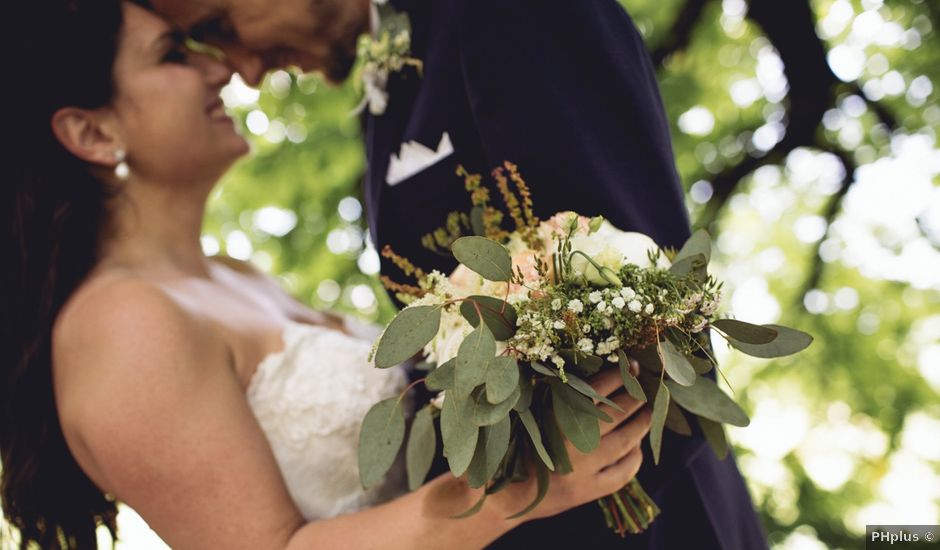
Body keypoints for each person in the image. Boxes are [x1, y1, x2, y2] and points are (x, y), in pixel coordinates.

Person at [0, 1, 654, 548]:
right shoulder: (120, 325)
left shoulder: (234, 277)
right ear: (91, 131)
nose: (222, 68)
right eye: (176, 54)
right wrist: (515, 496)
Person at [141, 0, 768, 547]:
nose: (244, 69)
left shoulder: (502, 11)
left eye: (221, 23)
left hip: (652, 520)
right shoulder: (389, 86)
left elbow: (653, 301)